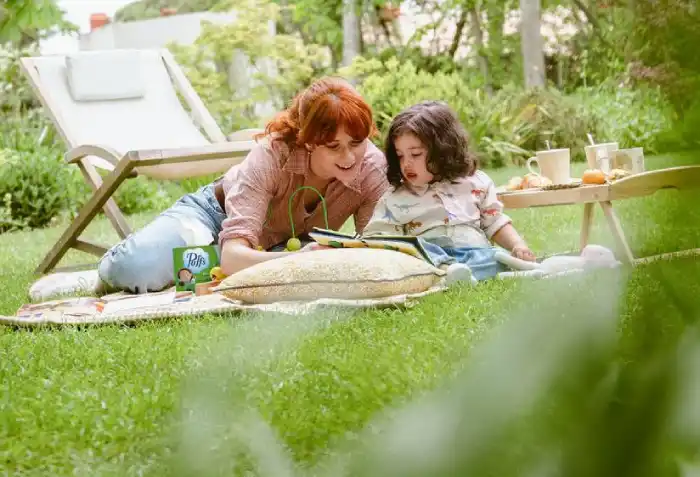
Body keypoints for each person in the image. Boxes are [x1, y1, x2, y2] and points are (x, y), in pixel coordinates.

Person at [32, 77, 389, 299]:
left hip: (276, 243)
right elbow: (234, 254)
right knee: (134, 268)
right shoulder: (271, 156)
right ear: (309, 142)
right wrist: (294, 260)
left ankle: (184, 269)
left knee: (196, 270)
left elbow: (376, 244)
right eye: (334, 147)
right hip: (213, 217)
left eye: (356, 142)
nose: (349, 157)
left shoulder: (371, 166)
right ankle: (99, 276)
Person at [363, 100, 535, 285]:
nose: (406, 163)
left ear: (443, 151)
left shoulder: (476, 183)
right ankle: (452, 273)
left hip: (475, 252)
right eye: (400, 155)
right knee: (420, 253)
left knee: (491, 255)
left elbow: (496, 223)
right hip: (430, 260)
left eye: (415, 154)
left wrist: (517, 245)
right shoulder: (394, 199)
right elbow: (378, 238)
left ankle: (510, 267)